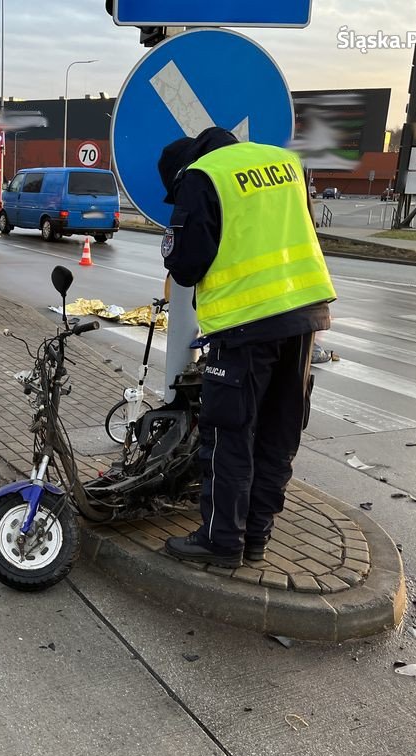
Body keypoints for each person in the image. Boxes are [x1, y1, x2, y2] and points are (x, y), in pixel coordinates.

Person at [157, 127, 337, 568]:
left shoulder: (203, 175)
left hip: (245, 325)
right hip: (304, 316)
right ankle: (256, 537)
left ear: (182, 170)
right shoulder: (285, 163)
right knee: (278, 435)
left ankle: (222, 542)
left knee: (228, 437)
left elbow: (186, 265)